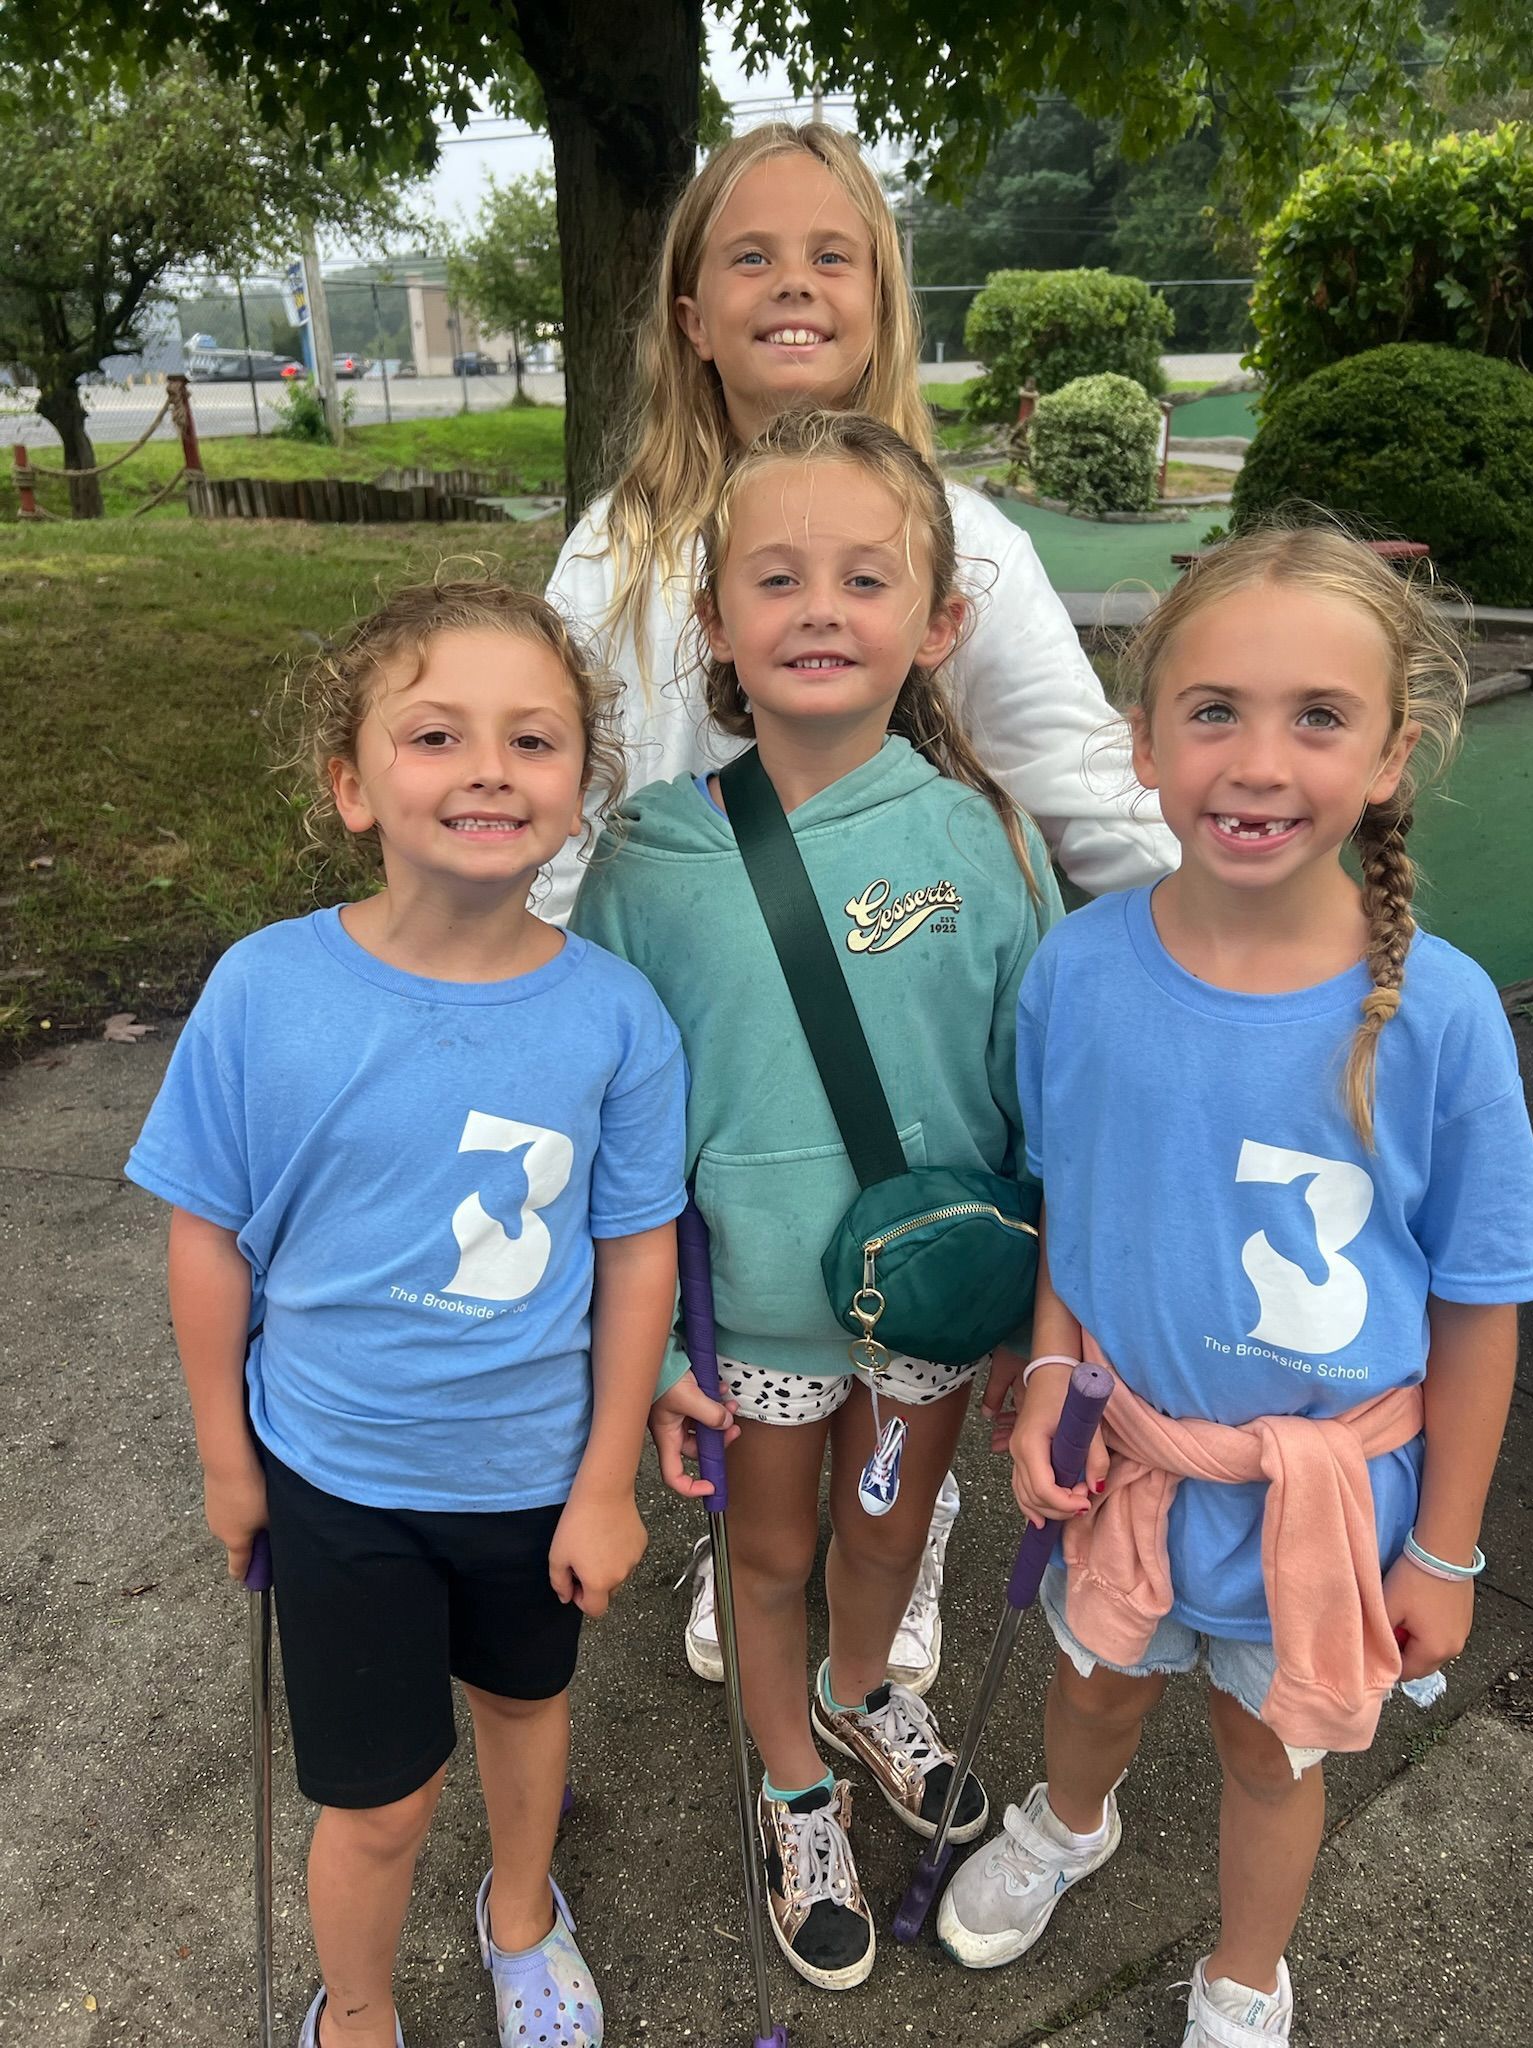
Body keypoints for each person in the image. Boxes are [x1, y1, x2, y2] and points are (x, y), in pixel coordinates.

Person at [546, 117, 1177, 1696]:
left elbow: (1089, 795)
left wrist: (1266, 949)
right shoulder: (621, 557)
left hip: (909, 1027)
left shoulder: (970, 549)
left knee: (921, 1297)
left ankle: (901, 1542)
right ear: (690, 313)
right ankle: (759, 1557)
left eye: (835, 254)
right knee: (748, 1308)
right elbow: (561, 812)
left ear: (886, 300)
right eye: (749, 255)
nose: (794, 286)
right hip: (724, 1034)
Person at [938, 528, 1533, 2044]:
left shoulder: (1446, 1020)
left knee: (1272, 1754)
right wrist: (1057, 1374)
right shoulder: (1075, 973)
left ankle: (1249, 1971)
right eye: (1213, 712)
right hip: (1128, 1471)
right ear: (1141, 742)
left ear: (1394, 755)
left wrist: (1450, 1554)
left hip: (1330, 1512)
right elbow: (1077, 1202)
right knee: (1095, 1693)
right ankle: (1074, 1824)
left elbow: (1478, 1300)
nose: (1258, 761)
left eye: (1318, 718)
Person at [126, 575, 692, 2048]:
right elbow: (209, 1242)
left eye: (535, 739)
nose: (489, 770)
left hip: (530, 1478)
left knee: (523, 1720)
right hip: (338, 1480)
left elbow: (637, 1257)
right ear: (352, 783)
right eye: (436, 735)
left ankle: (520, 1918)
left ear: (580, 790)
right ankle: (358, 2008)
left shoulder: (618, 1016)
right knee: (375, 1802)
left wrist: (608, 1482)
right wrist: (224, 1459)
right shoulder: (263, 991)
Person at [573, 408, 1062, 1990]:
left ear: (939, 621)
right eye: (774, 578)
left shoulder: (984, 836)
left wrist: (1043, 1322)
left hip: (933, 1300)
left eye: (865, 576)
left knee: (889, 1529)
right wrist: (644, 1354)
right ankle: (792, 1777)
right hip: (762, 1314)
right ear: (713, 622)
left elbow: (1031, 1086)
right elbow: (610, 1127)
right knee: (767, 1558)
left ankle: (868, 1690)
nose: (819, 609)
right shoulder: (646, 860)